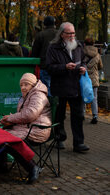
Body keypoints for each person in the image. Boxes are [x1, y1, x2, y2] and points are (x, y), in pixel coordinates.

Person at [0, 73, 51, 183]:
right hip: (27, 127)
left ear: (32, 85)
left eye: (26, 84)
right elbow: (24, 115)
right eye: (21, 85)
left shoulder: (38, 95)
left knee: (10, 141)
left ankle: (33, 167)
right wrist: (9, 121)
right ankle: (1, 166)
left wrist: (11, 118)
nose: (23, 87)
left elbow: (30, 115)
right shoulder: (27, 95)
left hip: (38, 129)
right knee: (1, 135)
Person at [46, 22, 90, 152]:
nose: (72, 36)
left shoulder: (78, 46)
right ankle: (59, 138)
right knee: (60, 115)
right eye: (69, 33)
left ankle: (79, 143)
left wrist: (84, 68)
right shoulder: (53, 48)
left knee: (78, 115)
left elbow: (84, 61)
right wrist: (64, 67)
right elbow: (49, 67)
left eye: (73, 33)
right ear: (61, 34)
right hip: (60, 86)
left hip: (76, 86)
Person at [32, 16, 57, 96]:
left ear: (45, 24)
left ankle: (47, 106)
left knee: (45, 89)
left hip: (45, 65)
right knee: (56, 88)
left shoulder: (40, 35)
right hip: (58, 66)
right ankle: (55, 106)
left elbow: (34, 52)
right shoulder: (60, 34)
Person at [83, 37, 103, 124]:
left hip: (84, 78)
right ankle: (95, 116)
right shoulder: (97, 54)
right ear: (93, 44)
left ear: (84, 44)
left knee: (83, 97)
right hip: (94, 79)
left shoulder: (81, 53)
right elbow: (100, 66)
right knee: (94, 98)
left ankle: (82, 115)